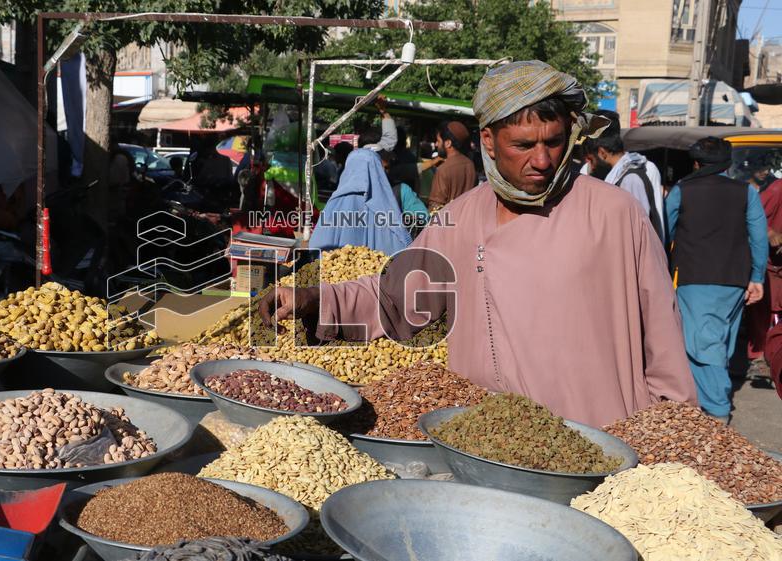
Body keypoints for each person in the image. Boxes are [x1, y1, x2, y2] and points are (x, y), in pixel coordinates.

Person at [261, 60, 697, 428]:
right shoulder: (462, 217)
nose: (542, 161)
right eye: (523, 145)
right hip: (485, 436)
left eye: (554, 142)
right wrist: (313, 298)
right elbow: (395, 296)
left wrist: (670, 431)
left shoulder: (614, 214)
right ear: (488, 140)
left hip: (599, 437)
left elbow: (662, 334)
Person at [665, 137, 768, 423]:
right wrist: (756, 277)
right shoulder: (746, 192)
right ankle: (707, 400)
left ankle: (717, 410)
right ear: (727, 164)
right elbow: (758, 237)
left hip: (695, 279)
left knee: (703, 344)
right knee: (719, 341)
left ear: (696, 163)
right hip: (736, 280)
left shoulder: (682, 190)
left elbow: (664, 232)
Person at [307, 146, 413, 256]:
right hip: (383, 271)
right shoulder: (386, 206)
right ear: (377, 170)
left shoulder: (334, 204)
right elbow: (401, 246)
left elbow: (316, 247)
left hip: (336, 271)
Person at [587, 128, 665, 243]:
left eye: (592, 161)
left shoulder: (630, 179)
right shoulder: (624, 175)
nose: (592, 167)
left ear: (602, 153)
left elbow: (638, 228)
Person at [745, 159, 782, 360]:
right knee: (756, 309)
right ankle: (758, 351)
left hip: (773, 258)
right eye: (759, 166)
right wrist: (766, 232)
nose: (764, 171)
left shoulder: (777, 187)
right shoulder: (741, 188)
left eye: (767, 167)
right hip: (747, 253)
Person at [427, 120, 477, 211]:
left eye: (438, 141)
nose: (436, 144)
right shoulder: (470, 165)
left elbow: (435, 207)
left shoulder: (443, 169)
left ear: (448, 143)